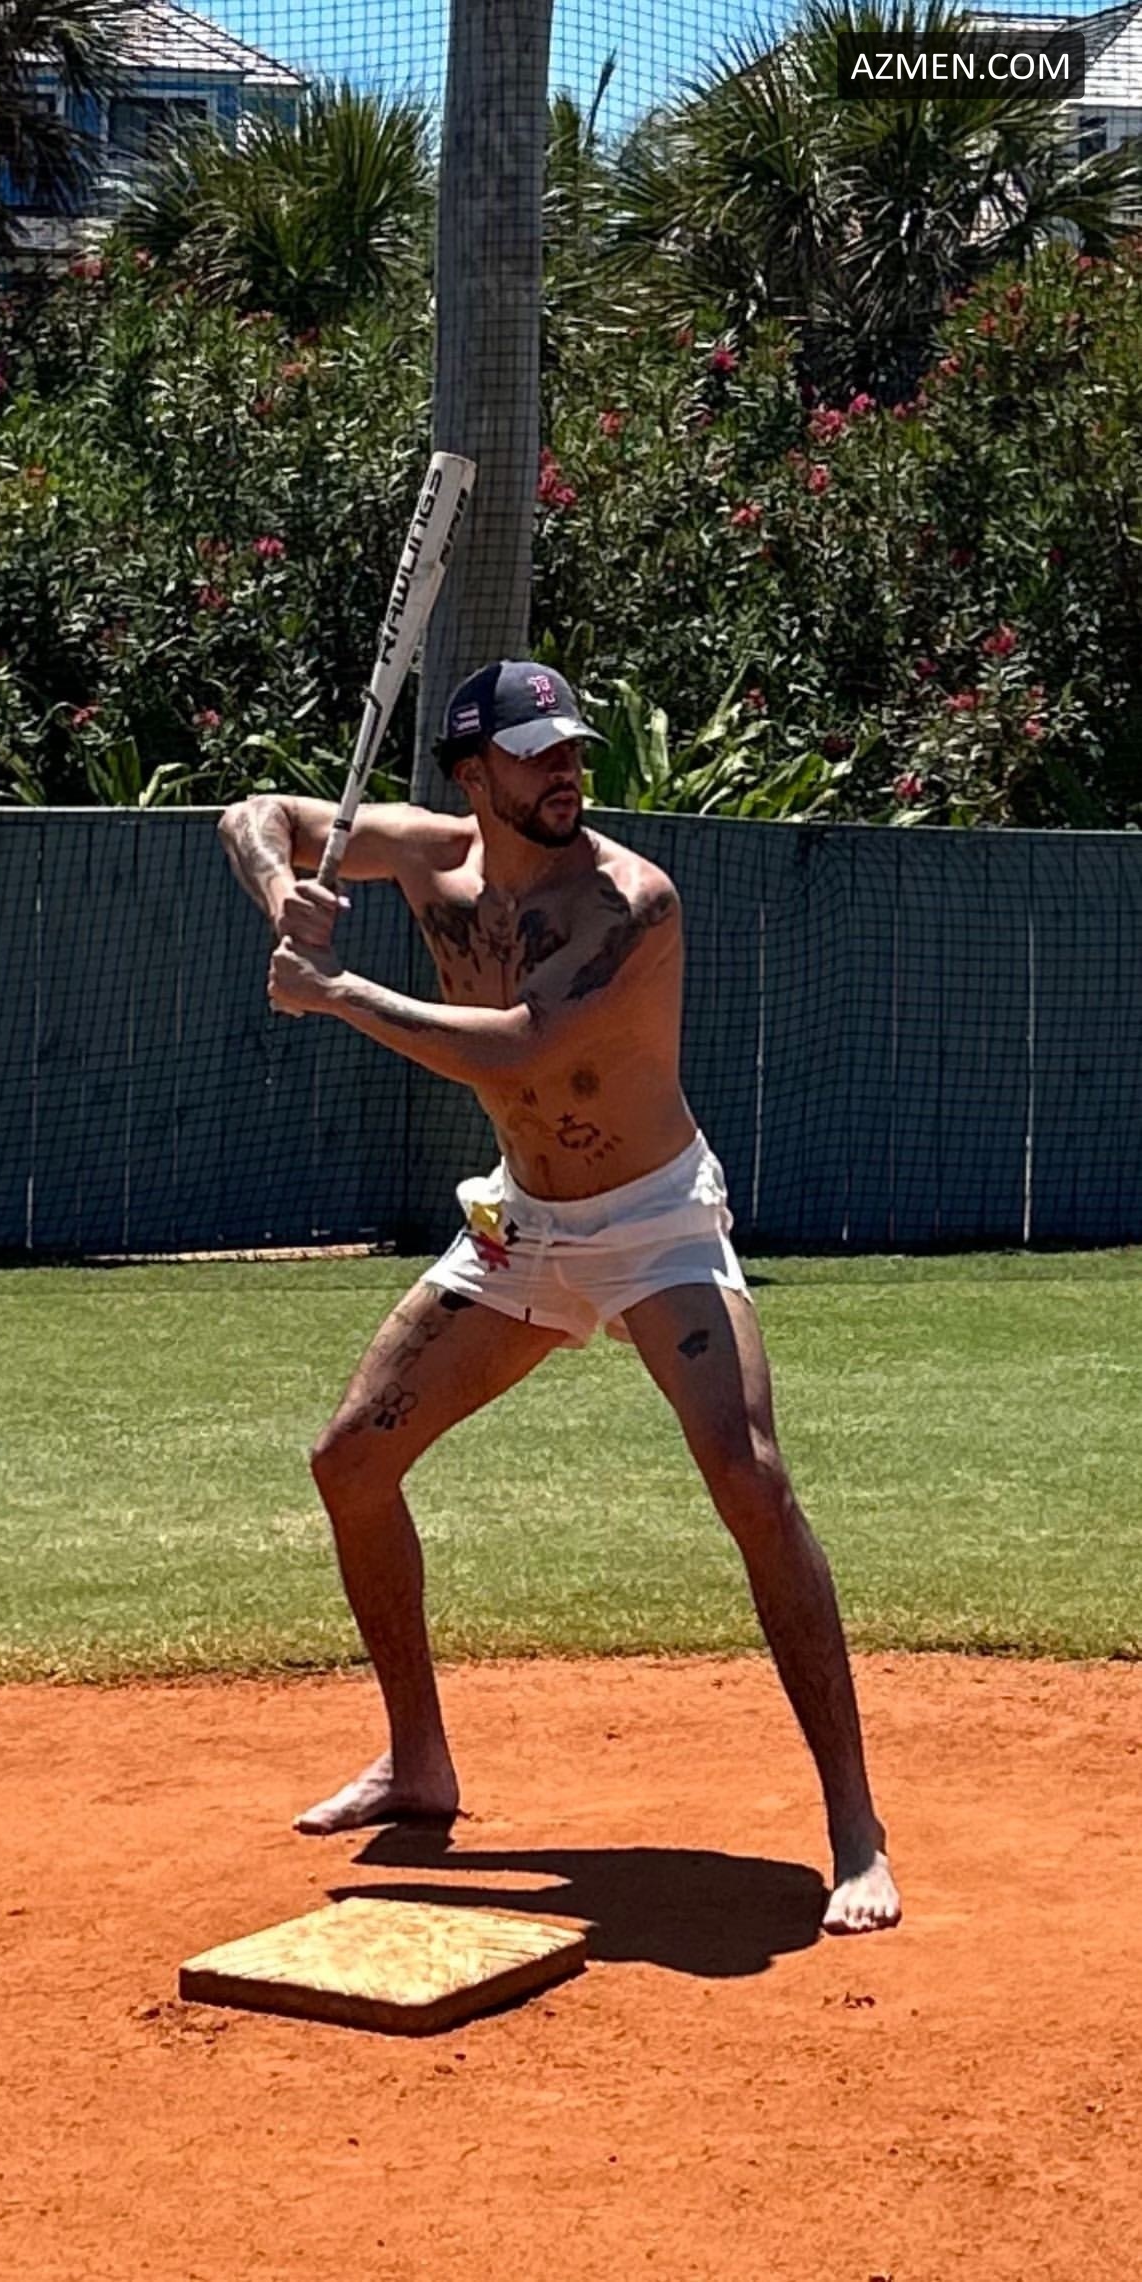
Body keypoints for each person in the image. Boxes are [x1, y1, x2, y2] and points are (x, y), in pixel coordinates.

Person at [218, 659, 900, 1934]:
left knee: (750, 1477)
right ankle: (418, 1760)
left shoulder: (631, 901)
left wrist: (338, 991)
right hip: (523, 1222)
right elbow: (254, 813)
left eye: (572, 748)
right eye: (536, 754)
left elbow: (524, 1041)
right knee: (349, 1461)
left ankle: (855, 1826)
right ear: (474, 774)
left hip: (652, 1221)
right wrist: (283, 891)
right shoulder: (429, 857)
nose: (566, 770)